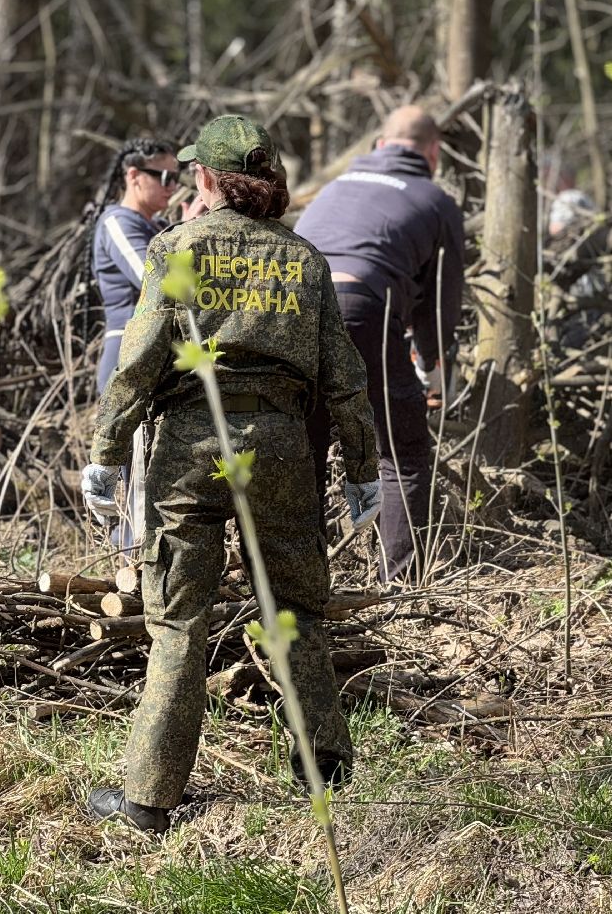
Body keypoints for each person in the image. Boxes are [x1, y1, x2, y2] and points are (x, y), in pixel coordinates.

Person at [79, 114, 380, 835]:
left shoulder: (176, 248)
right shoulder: (303, 258)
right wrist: (363, 468)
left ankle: (149, 801)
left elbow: (140, 360)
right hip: (279, 447)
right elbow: (345, 376)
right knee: (295, 612)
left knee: (180, 621)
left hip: (189, 446)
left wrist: (107, 450)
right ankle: (325, 776)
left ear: (207, 179)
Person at [295, 105, 464, 583]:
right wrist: (433, 372)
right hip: (362, 306)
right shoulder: (435, 200)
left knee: (305, 445)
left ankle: (298, 583)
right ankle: (403, 586)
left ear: (379, 145)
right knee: (401, 453)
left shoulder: (335, 187)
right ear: (433, 153)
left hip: (292, 307)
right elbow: (440, 304)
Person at [90, 138, 183, 552]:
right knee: (132, 468)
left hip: (154, 357)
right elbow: (153, 279)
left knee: (151, 467)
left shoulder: (150, 226)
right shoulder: (118, 221)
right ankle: (128, 562)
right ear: (133, 176)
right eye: (164, 177)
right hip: (125, 355)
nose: (172, 186)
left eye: (177, 178)